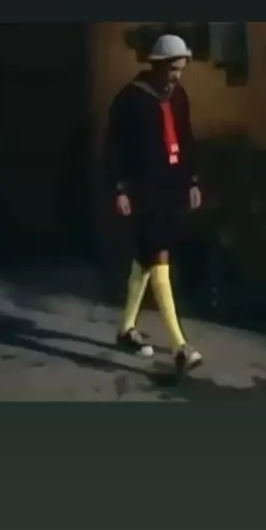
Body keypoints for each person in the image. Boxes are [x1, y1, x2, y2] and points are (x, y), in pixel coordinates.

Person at [105, 33, 203, 376]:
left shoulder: (179, 97)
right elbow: (114, 147)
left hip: (172, 187)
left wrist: (192, 181)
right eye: (173, 69)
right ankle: (180, 346)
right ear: (158, 65)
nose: (177, 75)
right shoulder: (130, 99)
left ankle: (125, 329)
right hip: (143, 190)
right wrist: (119, 189)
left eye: (181, 69)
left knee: (146, 259)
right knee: (160, 258)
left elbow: (186, 138)